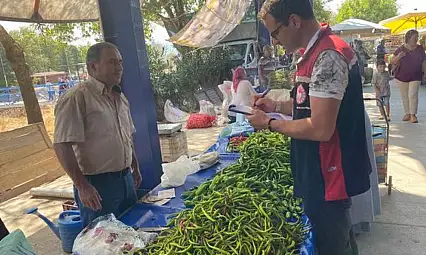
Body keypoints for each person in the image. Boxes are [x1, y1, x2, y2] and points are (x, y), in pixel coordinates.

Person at [249, 0, 371, 254]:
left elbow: (320, 128)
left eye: (275, 33)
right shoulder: (314, 52)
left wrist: (270, 124)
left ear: (294, 21)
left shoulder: (328, 56)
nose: (275, 42)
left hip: (330, 174)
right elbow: (308, 101)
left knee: (332, 240)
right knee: (340, 236)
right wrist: (275, 106)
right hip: (321, 173)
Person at [53, 42, 142, 227]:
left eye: (120, 62)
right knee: (102, 241)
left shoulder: (120, 97)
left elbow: (126, 136)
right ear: (93, 67)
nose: (119, 68)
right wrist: (83, 186)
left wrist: (135, 167)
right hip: (98, 186)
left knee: (132, 233)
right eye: (112, 62)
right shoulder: (76, 98)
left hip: (125, 179)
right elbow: (62, 145)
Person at [391, 29, 426, 123]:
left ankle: (413, 115)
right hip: (402, 75)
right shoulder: (401, 49)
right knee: (404, 95)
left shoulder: (420, 48)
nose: (416, 39)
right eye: (414, 37)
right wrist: (399, 56)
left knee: (412, 94)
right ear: (408, 38)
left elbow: (424, 61)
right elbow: (392, 62)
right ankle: (407, 113)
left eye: (417, 37)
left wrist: (425, 72)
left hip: (416, 75)